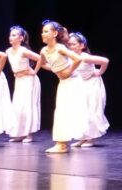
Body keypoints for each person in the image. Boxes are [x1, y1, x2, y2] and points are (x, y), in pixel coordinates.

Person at [32, 20, 83, 153]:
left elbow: (78, 59)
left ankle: (62, 143)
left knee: (64, 111)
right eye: (42, 31)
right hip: (63, 82)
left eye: (46, 31)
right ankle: (62, 143)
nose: (43, 34)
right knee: (60, 111)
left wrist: (68, 71)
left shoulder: (60, 48)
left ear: (55, 33)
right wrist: (57, 71)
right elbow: (42, 64)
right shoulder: (44, 50)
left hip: (72, 81)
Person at [67, 32, 110, 147]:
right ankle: (82, 137)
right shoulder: (70, 57)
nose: (71, 47)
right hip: (81, 85)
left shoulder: (84, 57)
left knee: (92, 110)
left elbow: (105, 61)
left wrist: (99, 72)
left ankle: (90, 138)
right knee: (81, 112)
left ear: (82, 45)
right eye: (69, 44)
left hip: (92, 84)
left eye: (74, 44)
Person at [6, 26, 41, 143]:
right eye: (11, 35)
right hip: (19, 80)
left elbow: (41, 58)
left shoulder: (23, 50)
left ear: (21, 38)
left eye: (14, 35)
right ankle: (19, 133)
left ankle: (29, 134)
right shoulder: (8, 51)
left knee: (28, 106)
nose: (11, 37)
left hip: (28, 80)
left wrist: (34, 71)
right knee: (18, 107)